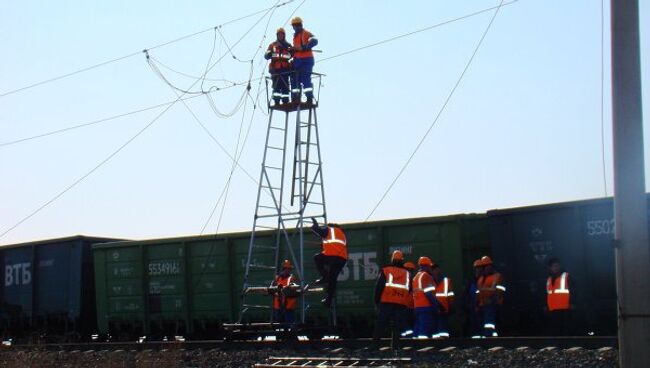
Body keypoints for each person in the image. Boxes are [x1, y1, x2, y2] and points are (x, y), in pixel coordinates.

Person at [373, 250, 412, 347]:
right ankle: (394, 346)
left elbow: (379, 287)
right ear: (402, 260)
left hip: (386, 302)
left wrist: (376, 301)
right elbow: (409, 288)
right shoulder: (407, 273)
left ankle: (375, 345)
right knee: (396, 326)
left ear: (392, 260)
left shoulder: (386, 270)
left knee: (380, 324)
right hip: (400, 303)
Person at [311, 218, 347, 306]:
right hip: (342, 259)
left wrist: (315, 226)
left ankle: (324, 276)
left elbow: (320, 232)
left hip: (332, 256)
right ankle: (329, 300)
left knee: (317, 258)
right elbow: (334, 243)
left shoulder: (330, 229)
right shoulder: (341, 233)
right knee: (332, 279)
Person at [290, 17, 318, 104]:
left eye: (295, 25)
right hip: (297, 61)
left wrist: (306, 47)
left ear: (299, 25)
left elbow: (314, 40)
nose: (294, 27)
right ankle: (296, 98)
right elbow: (297, 49)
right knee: (295, 79)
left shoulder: (305, 33)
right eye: (294, 26)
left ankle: (309, 98)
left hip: (306, 60)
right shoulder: (295, 36)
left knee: (305, 79)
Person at [476, 256, 505, 337]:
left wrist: (493, 300)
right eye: (484, 267)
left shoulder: (497, 276)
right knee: (486, 323)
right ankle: (489, 337)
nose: (485, 268)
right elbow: (478, 292)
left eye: (487, 266)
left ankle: (490, 337)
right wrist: (478, 304)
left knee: (490, 323)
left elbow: (500, 290)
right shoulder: (481, 279)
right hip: (483, 305)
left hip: (493, 304)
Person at [264, 28, 293, 105]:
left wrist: (291, 51)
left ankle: (285, 100)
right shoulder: (272, 45)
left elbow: (291, 55)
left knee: (285, 86)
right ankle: (276, 100)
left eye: (282, 34)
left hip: (285, 68)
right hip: (275, 68)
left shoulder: (288, 46)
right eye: (279, 34)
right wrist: (268, 54)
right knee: (276, 86)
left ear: (284, 35)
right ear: (277, 35)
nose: (280, 36)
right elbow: (266, 55)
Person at [411, 256, 438, 339]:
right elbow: (429, 293)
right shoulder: (426, 276)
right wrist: (435, 305)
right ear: (427, 266)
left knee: (418, 327)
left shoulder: (416, 277)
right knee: (424, 329)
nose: (431, 268)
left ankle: (414, 344)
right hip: (426, 306)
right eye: (430, 266)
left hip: (417, 307)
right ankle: (422, 346)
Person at [546, 257, 572, 335]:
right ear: (550, 268)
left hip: (565, 308)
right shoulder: (549, 279)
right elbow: (548, 294)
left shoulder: (566, 276)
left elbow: (574, 290)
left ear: (560, 266)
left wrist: (573, 303)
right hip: (553, 309)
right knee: (556, 330)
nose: (555, 268)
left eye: (557, 266)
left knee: (565, 330)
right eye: (553, 266)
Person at [270, 259, 300, 324]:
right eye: (286, 268)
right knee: (278, 326)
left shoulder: (292, 278)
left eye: (289, 269)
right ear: (283, 269)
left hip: (289, 306)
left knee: (289, 325)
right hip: (278, 306)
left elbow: (295, 290)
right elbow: (271, 289)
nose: (287, 270)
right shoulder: (277, 278)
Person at [432, 262, 454, 338]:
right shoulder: (430, 281)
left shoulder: (446, 281)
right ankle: (436, 345)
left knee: (443, 330)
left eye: (437, 270)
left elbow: (450, 295)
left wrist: (451, 305)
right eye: (434, 270)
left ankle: (444, 343)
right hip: (434, 310)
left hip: (444, 310)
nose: (436, 272)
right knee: (435, 331)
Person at [463, 259, 483, 338]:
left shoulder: (484, 280)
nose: (478, 270)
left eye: (480, 268)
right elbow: (466, 294)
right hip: (473, 305)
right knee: (474, 324)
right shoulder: (471, 280)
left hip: (483, 304)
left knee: (482, 323)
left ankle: (485, 339)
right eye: (477, 268)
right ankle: (476, 340)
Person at [400, 261, 416, 337]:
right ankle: (406, 339)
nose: (409, 272)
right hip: (404, 306)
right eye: (408, 269)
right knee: (405, 325)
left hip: (410, 307)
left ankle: (407, 339)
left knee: (408, 325)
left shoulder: (413, 281)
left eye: (411, 270)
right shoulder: (403, 281)